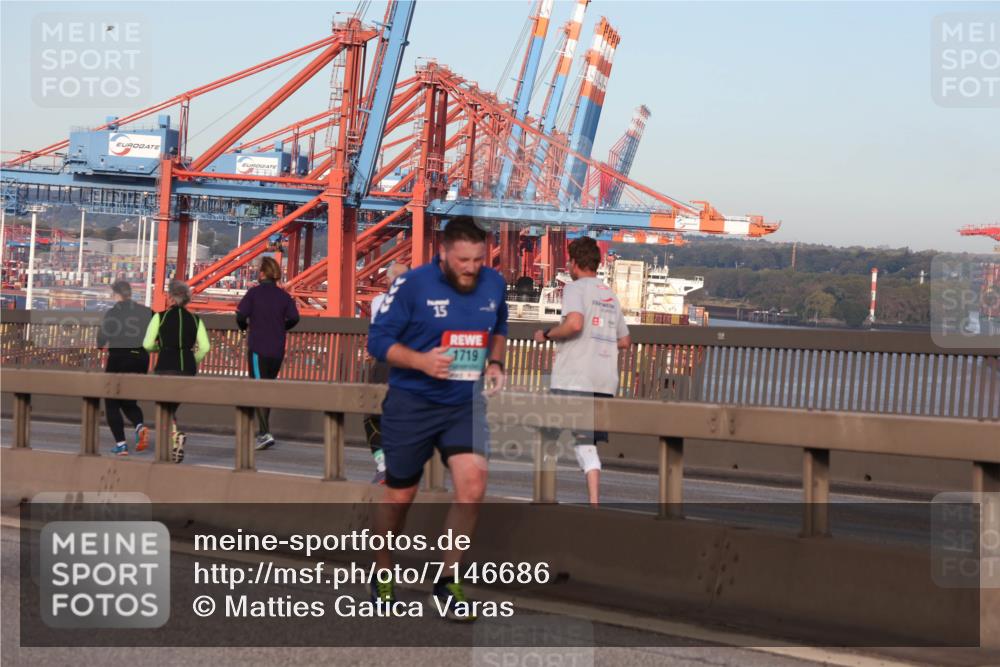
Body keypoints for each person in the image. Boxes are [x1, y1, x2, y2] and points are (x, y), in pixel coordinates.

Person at [367, 216, 507, 619]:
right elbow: (378, 341)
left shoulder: (493, 284)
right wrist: (421, 361)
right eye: (463, 260)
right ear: (443, 253)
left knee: (473, 484)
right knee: (400, 496)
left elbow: (499, 324)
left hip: (464, 403)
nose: (471, 268)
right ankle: (381, 568)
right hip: (412, 403)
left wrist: (495, 363)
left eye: (478, 259)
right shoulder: (413, 285)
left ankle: (448, 582)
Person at [533, 236, 630, 506]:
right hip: (603, 381)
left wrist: (548, 334)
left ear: (573, 263)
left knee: (547, 434)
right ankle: (594, 502)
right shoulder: (610, 295)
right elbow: (624, 341)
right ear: (597, 263)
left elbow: (574, 324)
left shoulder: (575, 289)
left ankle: (543, 497)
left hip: (573, 378)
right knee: (586, 443)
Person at [142, 280, 211, 464]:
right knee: (171, 407)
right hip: (187, 369)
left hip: (165, 365)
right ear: (187, 299)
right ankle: (174, 442)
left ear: (171, 297)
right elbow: (205, 347)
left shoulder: (160, 317)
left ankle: (175, 437)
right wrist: (191, 361)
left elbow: (147, 344)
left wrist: (159, 349)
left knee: (164, 407)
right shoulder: (196, 320)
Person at [236, 256, 300, 450]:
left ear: (262, 273)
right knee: (267, 389)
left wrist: (244, 327)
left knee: (257, 389)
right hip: (277, 350)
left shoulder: (254, 293)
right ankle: (264, 431)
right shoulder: (284, 296)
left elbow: (240, 315)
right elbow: (295, 318)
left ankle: (264, 433)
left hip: (258, 348)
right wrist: (282, 327)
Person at [364, 261, 409, 484]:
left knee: (372, 412)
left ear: (389, 280)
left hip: (384, 363)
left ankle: (383, 463)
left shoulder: (378, 302)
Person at [97, 280, 152, 456]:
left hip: (119, 359)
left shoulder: (112, 313)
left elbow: (101, 340)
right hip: (141, 360)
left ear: (116, 295)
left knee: (112, 402)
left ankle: (121, 444)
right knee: (129, 400)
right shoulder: (146, 312)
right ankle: (139, 426)